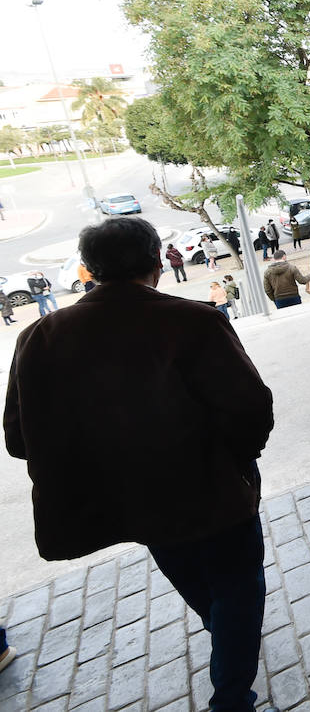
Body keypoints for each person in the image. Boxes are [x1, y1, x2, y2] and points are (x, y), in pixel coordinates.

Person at [3, 216, 274, 712]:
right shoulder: (194, 321)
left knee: (195, 579)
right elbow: (249, 409)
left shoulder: (38, 338)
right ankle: (231, 696)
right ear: (156, 262)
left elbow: (21, 441)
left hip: (131, 506)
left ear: (87, 270)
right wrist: (236, 462)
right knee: (238, 586)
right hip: (210, 491)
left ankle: (227, 636)